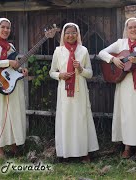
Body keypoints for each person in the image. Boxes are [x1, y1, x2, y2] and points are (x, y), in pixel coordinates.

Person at [98, 17, 136, 160]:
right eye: (130, 27)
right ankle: (127, 147)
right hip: (124, 84)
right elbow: (102, 53)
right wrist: (113, 59)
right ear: (126, 29)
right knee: (126, 116)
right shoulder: (120, 43)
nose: (133, 30)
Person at [49, 23, 99, 162]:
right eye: (67, 33)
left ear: (78, 35)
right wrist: (60, 75)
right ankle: (66, 153)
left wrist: (81, 69)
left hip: (80, 91)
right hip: (64, 92)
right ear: (63, 35)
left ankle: (84, 152)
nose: (70, 35)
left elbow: (90, 73)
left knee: (81, 119)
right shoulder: (58, 51)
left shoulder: (83, 50)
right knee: (66, 120)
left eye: (73, 32)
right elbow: (51, 72)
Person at [0, 18, 28, 160]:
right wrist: (8, 61)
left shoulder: (11, 47)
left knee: (14, 115)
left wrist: (22, 70)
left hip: (13, 85)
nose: (6, 30)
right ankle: (0, 151)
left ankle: (14, 147)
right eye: (3, 27)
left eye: (8, 28)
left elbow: (15, 66)